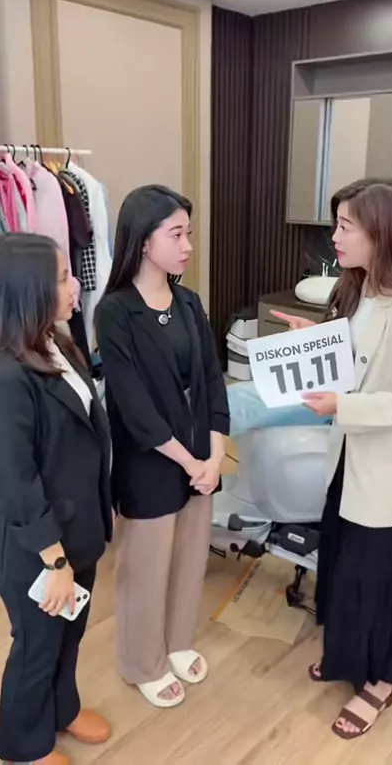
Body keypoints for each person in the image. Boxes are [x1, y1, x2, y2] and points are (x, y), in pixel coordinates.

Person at [273, 178, 392, 740]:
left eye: (346, 226)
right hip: (348, 457)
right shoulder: (357, 291)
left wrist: (342, 405)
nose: (335, 237)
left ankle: (379, 681)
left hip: (387, 468)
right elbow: (360, 359)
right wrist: (316, 340)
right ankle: (348, 655)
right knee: (344, 565)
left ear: (383, 232)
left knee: (376, 577)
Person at [95, 185, 230, 709]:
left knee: (191, 558)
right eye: (176, 235)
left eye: (188, 234)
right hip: (150, 462)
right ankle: (142, 662)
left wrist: (214, 455)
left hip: (199, 456)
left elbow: (213, 381)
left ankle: (177, 643)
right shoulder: (115, 312)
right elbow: (134, 408)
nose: (188, 245)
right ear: (144, 241)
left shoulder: (190, 302)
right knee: (146, 568)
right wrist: (192, 461)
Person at [0, 234, 113, 765]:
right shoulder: (8, 376)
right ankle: (21, 743)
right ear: (30, 289)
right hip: (39, 546)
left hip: (78, 526)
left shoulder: (58, 343)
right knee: (38, 644)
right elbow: (16, 482)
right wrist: (55, 560)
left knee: (70, 632)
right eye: (64, 277)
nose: (75, 287)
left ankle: (62, 708)